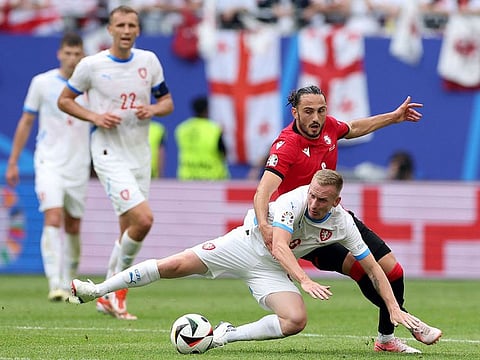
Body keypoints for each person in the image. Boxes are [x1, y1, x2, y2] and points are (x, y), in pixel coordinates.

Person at [69, 169, 434, 353]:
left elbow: (372, 267)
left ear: (336, 202)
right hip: (245, 246)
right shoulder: (293, 201)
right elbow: (278, 245)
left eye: (323, 200)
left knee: (296, 321)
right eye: (313, 196)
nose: (315, 204)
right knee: (174, 266)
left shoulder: (342, 223)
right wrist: (304, 281)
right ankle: (96, 289)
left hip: (272, 270)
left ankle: (224, 336)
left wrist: (393, 307)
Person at [253, 85, 441, 353]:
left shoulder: (329, 127)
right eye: (308, 112)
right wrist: (264, 225)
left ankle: (386, 339)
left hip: (334, 217)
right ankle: (408, 321)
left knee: (393, 270)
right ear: (295, 112)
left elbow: (353, 127)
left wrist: (393, 117)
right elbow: (263, 191)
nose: (316, 118)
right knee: (359, 267)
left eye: (321, 110)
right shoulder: (286, 146)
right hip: (305, 230)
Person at [57, 5, 174, 320]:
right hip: (108, 154)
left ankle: (108, 297)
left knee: (128, 228)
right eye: (120, 24)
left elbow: (167, 102)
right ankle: (112, 292)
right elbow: (64, 100)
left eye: (131, 25)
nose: (125, 30)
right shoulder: (91, 66)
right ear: (109, 29)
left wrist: (153, 109)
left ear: (138, 30)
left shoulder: (148, 61)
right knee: (144, 220)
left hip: (139, 154)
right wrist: (94, 116)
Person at [5, 32, 90, 302]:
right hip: (48, 162)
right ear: (59, 54)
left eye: (77, 54)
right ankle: (55, 283)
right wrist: (13, 161)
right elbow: (26, 121)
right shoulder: (42, 83)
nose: (72, 58)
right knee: (52, 217)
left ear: (83, 55)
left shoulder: (90, 87)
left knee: (74, 225)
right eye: (68, 53)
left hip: (78, 165)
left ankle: (70, 280)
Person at [174, 95, 229, 180]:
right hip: (212, 178)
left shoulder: (182, 128)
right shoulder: (214, 129)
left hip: (187, 178)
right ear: (207, 109)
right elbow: (224, 153)